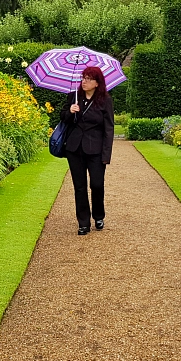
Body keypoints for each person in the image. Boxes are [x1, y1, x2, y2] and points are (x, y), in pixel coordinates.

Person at [60, 65, 114, 235]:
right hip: (75, 148)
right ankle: (83, 222)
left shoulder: (105, 100)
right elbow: (62, 118)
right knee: (79, 186)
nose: (84, 81)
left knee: (97, 184)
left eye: (89, 78)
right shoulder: (74, 97)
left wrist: (106, 155)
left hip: (96, 149)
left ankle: (98, 215)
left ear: (97, 83)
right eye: (83, 77)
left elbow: (109, 129)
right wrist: (70, 111)